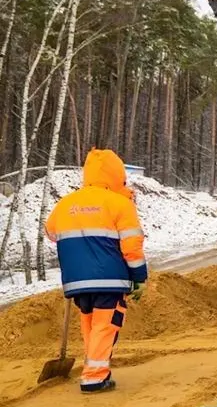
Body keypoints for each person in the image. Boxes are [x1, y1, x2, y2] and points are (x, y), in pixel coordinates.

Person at [44, 148, 147, 394]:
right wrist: (139, 278)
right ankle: (94, 377)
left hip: (76, 281)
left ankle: (93, 368)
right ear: (117, 175)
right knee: (106, 324)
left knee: (90, 323)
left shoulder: (66, 203)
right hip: (110, 278)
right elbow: (131, 245)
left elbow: (51, 233)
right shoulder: (120, 204)